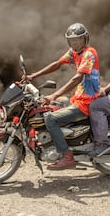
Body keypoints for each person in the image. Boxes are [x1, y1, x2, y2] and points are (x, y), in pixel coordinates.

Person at [25, 23, 100, 170]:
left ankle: (67, 156)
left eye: (78, 39)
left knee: (50, 119)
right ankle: (58, 142)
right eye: (72, 41)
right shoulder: (74, 52)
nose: (75, 43)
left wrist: (54, 95)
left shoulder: (89, 54)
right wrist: (33, 75)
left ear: (85, 39)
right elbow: (57, 64)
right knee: (52, 107)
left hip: (87, 102)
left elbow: (76, 79)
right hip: (77, 98)